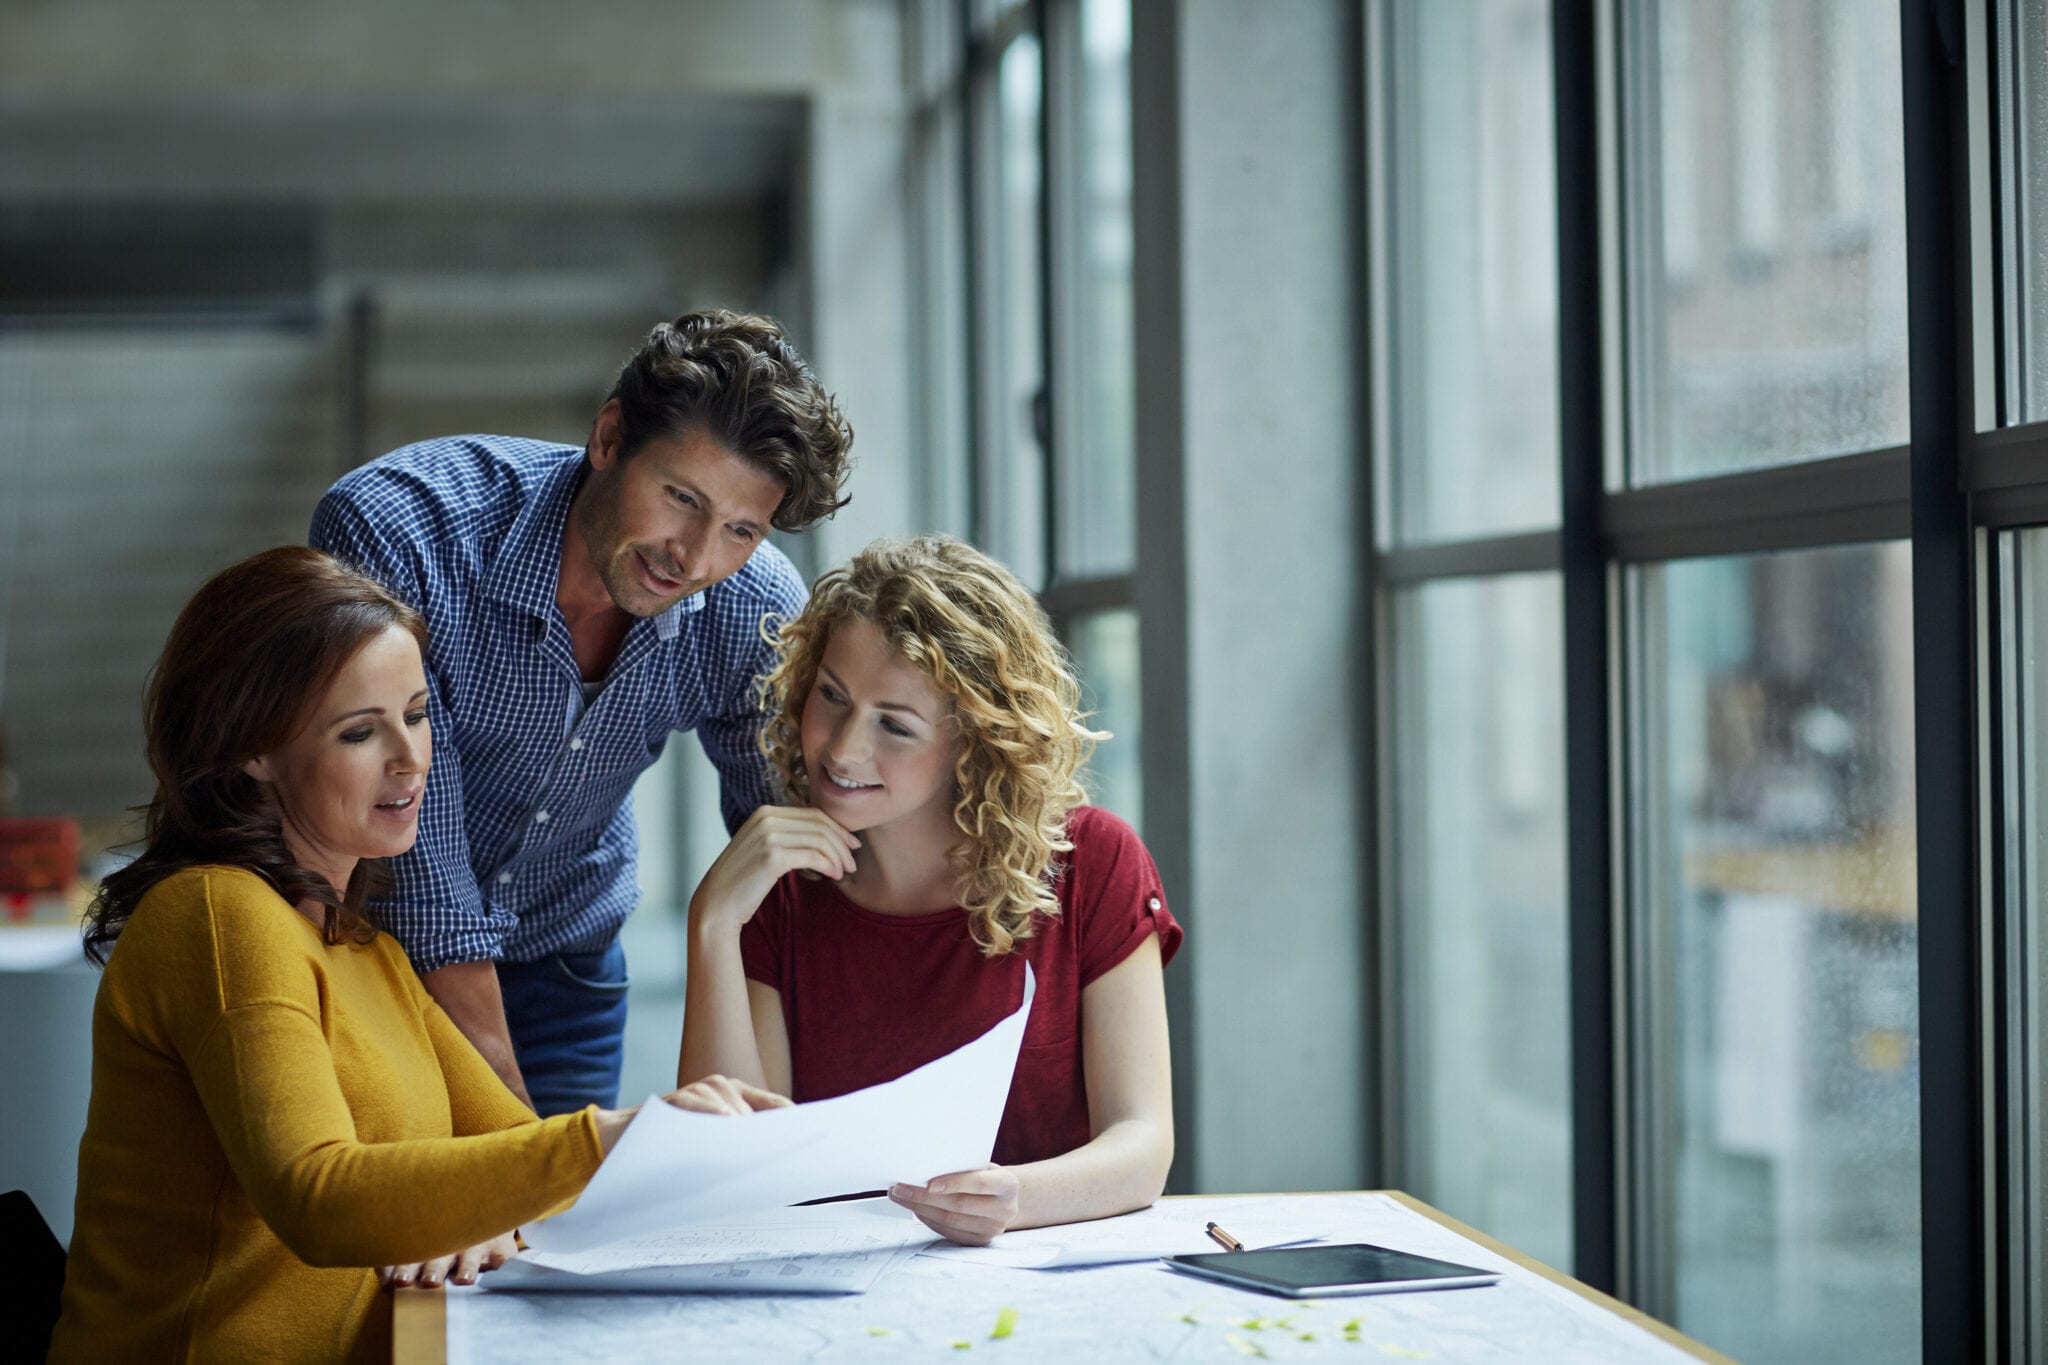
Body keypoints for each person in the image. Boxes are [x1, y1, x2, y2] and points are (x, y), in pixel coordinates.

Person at [50, 548, 786, 1364]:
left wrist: (489, 1213)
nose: (410, 757)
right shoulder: (220, 915)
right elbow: (318, 1197)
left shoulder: (367, 948)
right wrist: (612, 1135)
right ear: (250, 748)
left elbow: (513, 1156)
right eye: (360, 730)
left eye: (418, 712)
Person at [310, 309, 853, 1117]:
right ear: (608, 438)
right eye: (680, 497)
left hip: (566, 959)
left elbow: (792, 846)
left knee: (558, 1238)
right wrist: (531, 1143)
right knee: (410, 1228)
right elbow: (417, 859)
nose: (696, 557)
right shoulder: (405, 531)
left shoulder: (751, 603)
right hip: (371, 956)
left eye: (741, 529)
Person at [677, 535, 1180, 1245]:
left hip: (1039, 1280)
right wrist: (713, 920)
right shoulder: (779, 892)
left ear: (973, 742)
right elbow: (725, 1175)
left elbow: (1142, 1143)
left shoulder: (1093, 861)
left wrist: (1016, 1196)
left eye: (895, 724)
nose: (844, 748)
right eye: (832, 695)